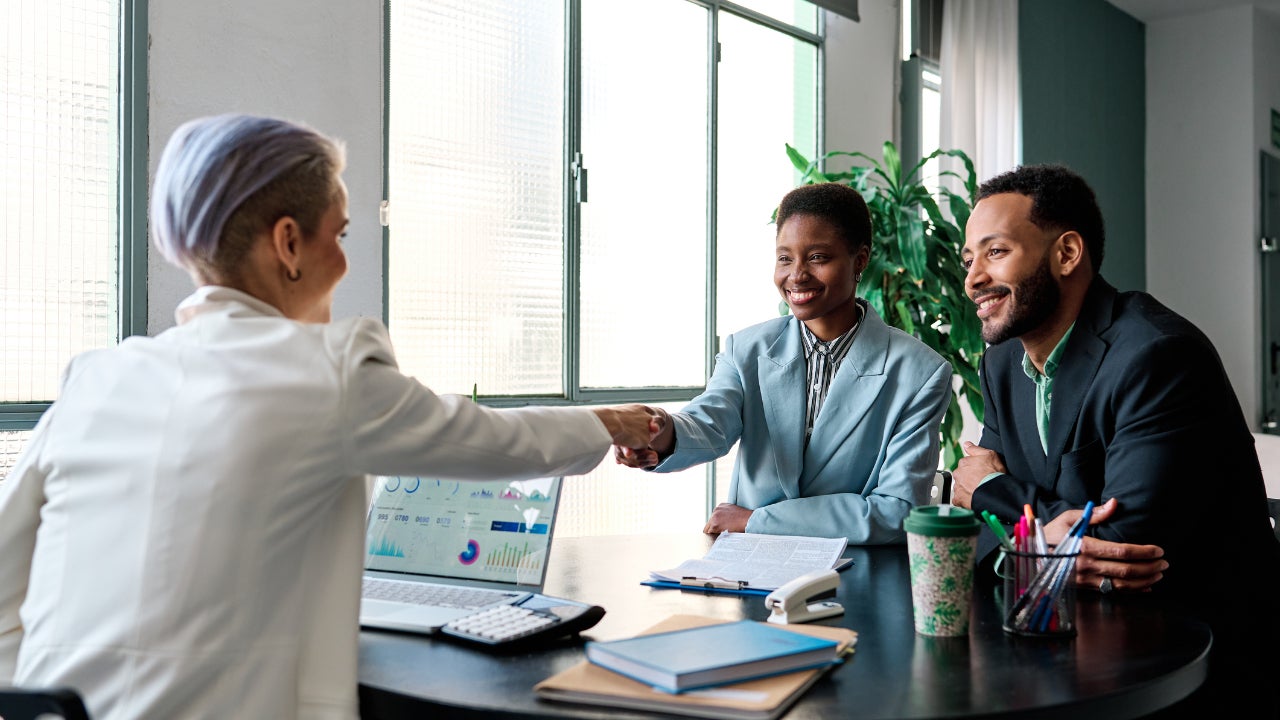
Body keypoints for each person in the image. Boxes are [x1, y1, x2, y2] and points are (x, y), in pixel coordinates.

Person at [0, 114, 662, 720]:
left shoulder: (95, 379)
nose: (344, 260)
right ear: (288, 243)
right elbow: (496, 443)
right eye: (340, 234)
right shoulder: (326, 370)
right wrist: (614, 421)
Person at [951, 162, 1280, 716]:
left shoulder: (1159, 355)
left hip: (1199, 666)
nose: (972, 279)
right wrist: (1028, 533)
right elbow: (981, 541)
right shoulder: (1002, 364)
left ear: (1067, 253)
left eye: (995, 252)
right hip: (1068, 650)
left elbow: (1128, 549)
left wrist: (990, 493)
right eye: (968, 259)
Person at [617, 182, 953, 545]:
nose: (796, 275)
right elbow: (708, 423)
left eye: (818, 257)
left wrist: (757, 520)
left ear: (859, 260)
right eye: (784, 258)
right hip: (751, 575)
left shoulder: (920, 372)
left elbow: (896, 511)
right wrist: (658, 429)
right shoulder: (745, 349)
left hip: (855, 575)